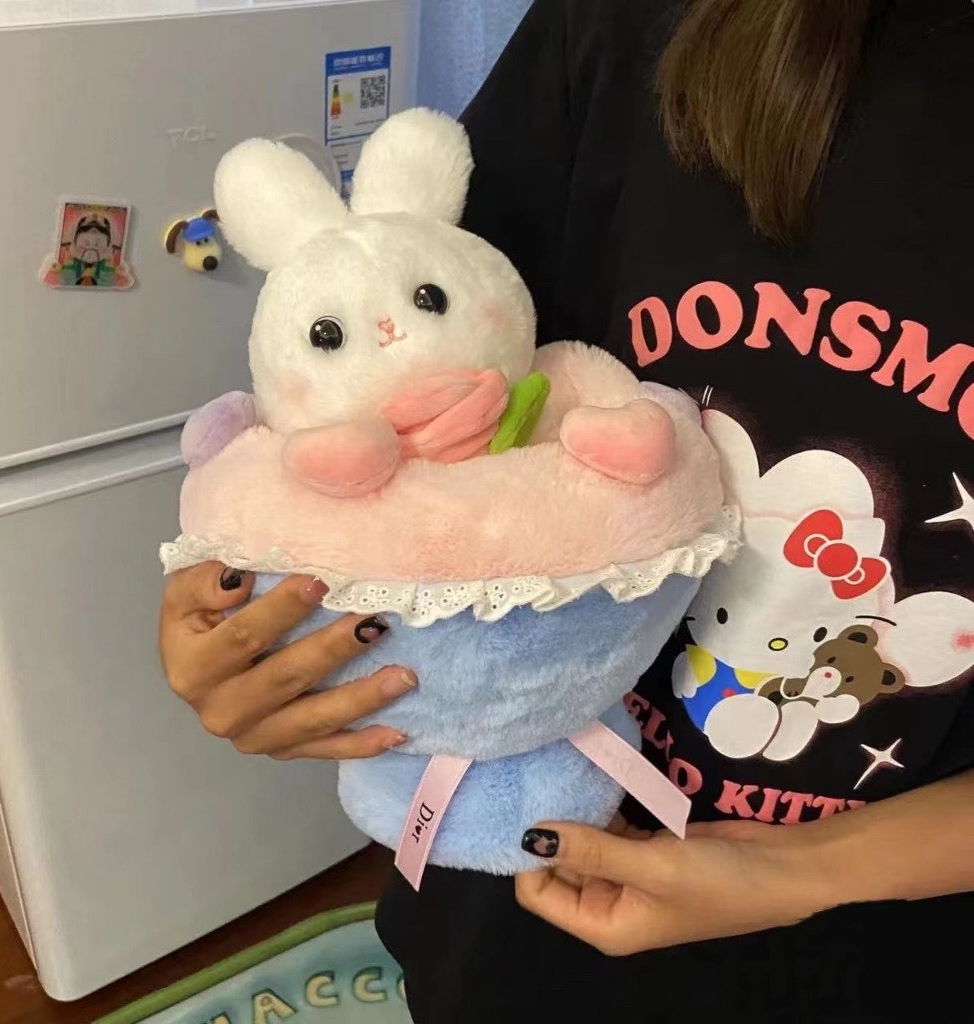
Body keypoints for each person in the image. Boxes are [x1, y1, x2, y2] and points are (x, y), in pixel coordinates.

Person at [158, 0, 974, 1019]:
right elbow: (406, 360)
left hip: (889, 957)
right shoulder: (634, 26)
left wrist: (803, 870)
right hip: (503, 904)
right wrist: (254, 600)